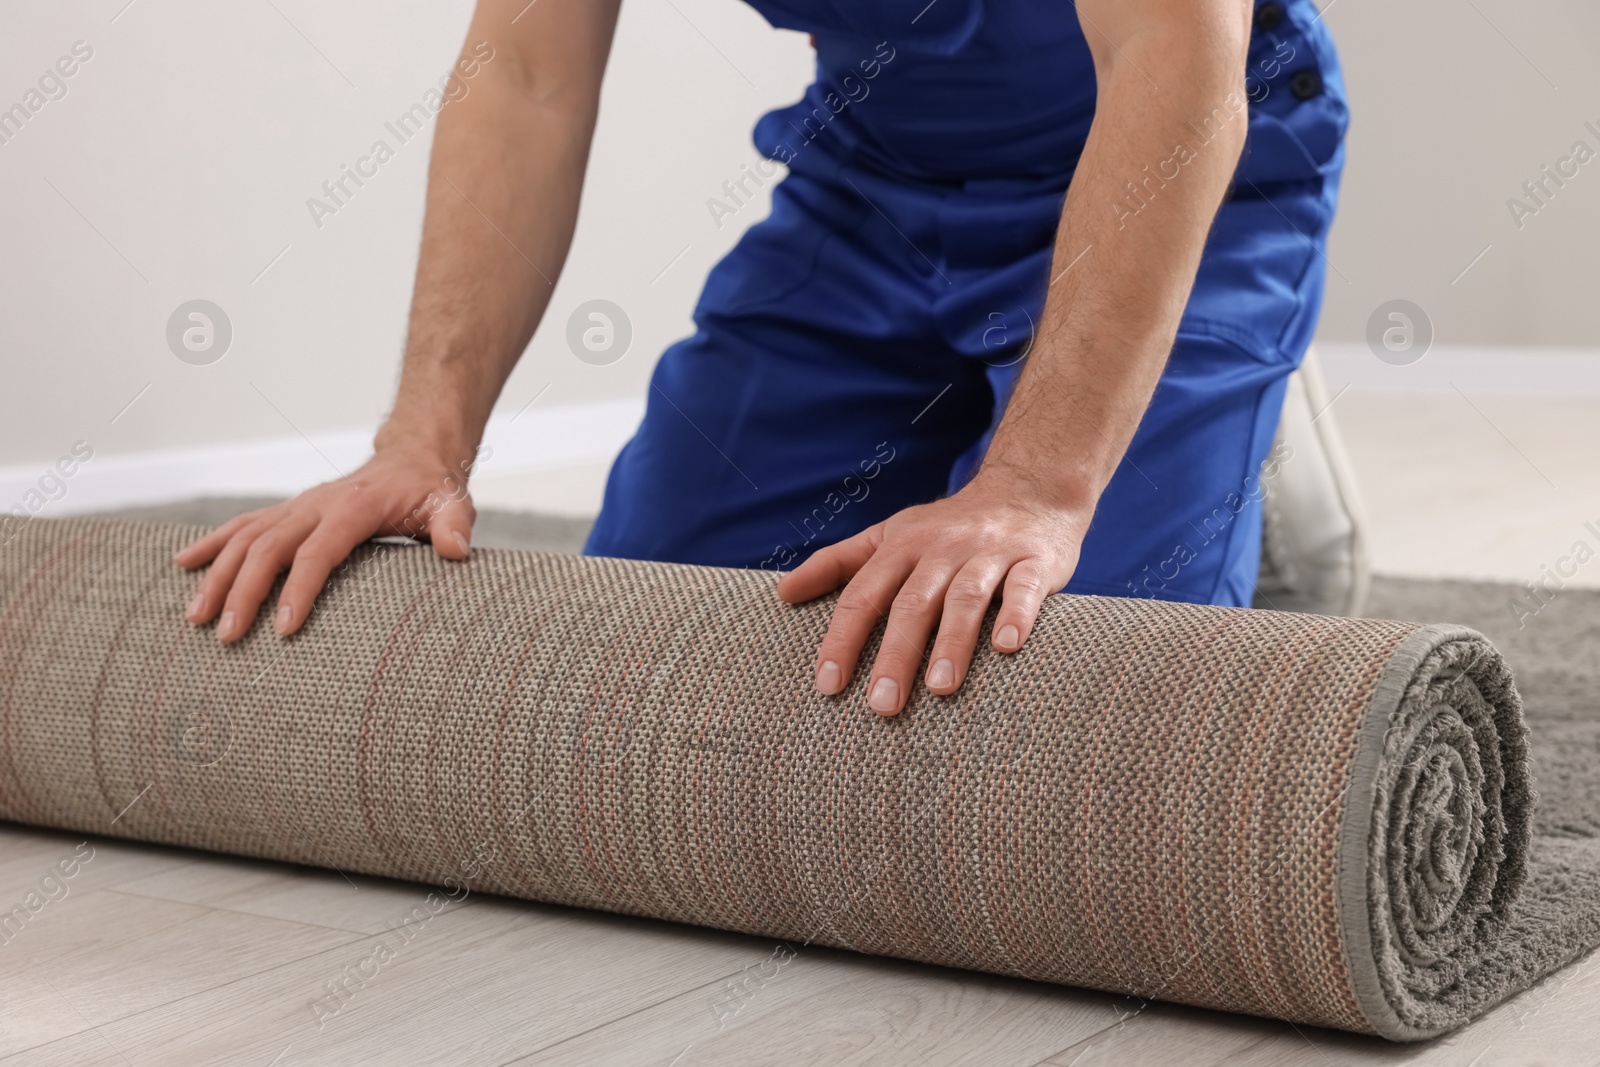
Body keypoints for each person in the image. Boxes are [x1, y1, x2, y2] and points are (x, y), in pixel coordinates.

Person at [176, 0, 1349, 716]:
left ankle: (1241, 448)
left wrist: (1038, 489)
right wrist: (421, 439)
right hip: (875, 191)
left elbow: (1170, 59)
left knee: (1083, 697)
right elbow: (527, 80)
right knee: (645, 660)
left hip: (1191, 152)